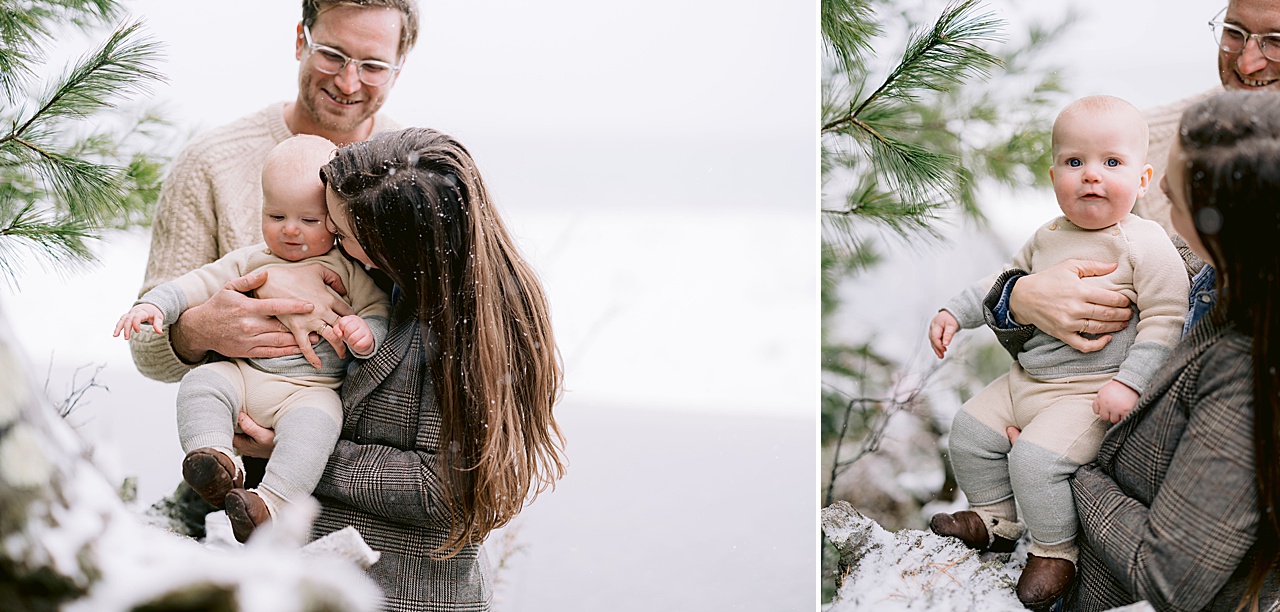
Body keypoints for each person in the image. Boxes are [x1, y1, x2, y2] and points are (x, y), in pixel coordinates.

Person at [231, 127, 567, 610]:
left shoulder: (467, 332)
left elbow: (445, 488)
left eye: (343, 235)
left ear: (398, 245)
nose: (334, 244)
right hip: (314, 579)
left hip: (406, 595)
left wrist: (298, 453)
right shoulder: (388, 282)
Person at [129, 0, 418, 535]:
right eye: (332, 54)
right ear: (300, 41)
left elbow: (435, 341)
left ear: (400, 66)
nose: (350, 81)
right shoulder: (212, 162)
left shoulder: (409, 172)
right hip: (235, 445)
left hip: (363, 464)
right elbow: (146, 348)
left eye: (373, 65)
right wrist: (199, 329)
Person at [926, 96, 1189, 609]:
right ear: (1053, 177)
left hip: (1090, 391)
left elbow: (1165, 322)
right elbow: (1004, 281)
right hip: (1025, 382)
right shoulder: (1047, 235)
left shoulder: (1146, 243)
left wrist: (1129, 382)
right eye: (1075, 162)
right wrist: (956, 312)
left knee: (1034, 459)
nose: (1091, 175)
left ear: (1143, 179)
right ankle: (994, 520)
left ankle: (1054, 553)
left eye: (1111, 163)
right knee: (970, 431)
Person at [1060, 90, 1280, 612]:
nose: (1157, 193)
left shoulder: (1250, 378)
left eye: (1174, 200)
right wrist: (1015, 298)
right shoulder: (1218, 278)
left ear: (1222, 228)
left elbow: (1168, 581)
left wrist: (1071, 469)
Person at [114, 135, 391, 544]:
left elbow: (378, 311)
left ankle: (271, 505)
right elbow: (197, 282)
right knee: (201, 384)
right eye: (276, 216)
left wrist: (364, 335)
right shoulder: (250, 259)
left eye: (309, 221)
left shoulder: (348, 267)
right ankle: (216, 458)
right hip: (245, 377)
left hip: (308, 391)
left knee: (317, 428)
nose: (291, 230)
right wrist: (155, 305)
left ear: (333, 220)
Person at [986, 0, 1279, 354]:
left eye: (1276, 40)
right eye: (1235, 33)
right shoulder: (1145, 143)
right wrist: (1017, 300)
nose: (1247, 63)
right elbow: (1076, 271)